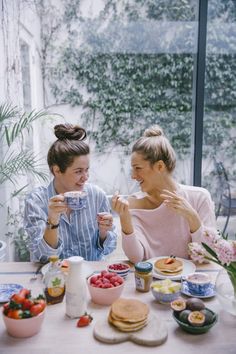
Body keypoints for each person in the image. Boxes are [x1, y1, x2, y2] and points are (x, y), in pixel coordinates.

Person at [112, 125, 217, 264]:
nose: (133, 176)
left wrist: (192, 218)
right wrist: (124, 219)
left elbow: (208, 256)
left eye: (138, 168)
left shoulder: (199, 198)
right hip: (150, 283)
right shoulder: (133, 204)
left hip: (190, 282)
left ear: (160, 166)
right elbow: (137, 258)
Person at [24, 123, 117, 262]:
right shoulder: (36, 201)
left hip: (90, 278)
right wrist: (53, 220)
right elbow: (42, 256)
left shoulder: (97, 196)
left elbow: (108, 248)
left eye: (87, 170)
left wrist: (104, 232)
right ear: (57, 170)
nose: (85, 177)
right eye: (78, 171)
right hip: (55, 279)